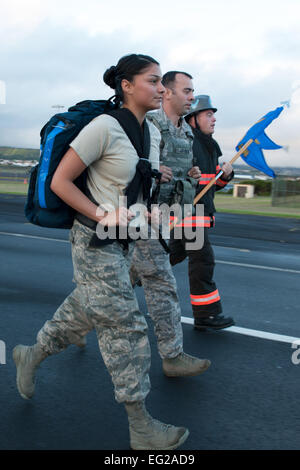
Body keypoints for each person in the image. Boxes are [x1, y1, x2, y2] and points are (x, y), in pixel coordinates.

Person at [12, 54, 191, 451]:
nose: (161, 88)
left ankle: (30, 354)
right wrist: (100, 213)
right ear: (126, 85)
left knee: (80, 313)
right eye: (153, 80)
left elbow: (135, 186)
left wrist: (155, 212)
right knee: (125, 326)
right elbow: (61, 181)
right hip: (93, 242)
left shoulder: (153, 134)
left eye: (163, 82)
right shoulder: (104, 127)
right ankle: (140, 426)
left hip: (126, 242)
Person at [129, 71, 211, 372]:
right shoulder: (150, 126)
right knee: (162, 282)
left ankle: (74, 322)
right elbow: (127, 166)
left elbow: (181, 171)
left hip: (169, 216)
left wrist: (190, 175)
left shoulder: (187, 133)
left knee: (122, 280)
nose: (192, 96)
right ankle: (172, 356)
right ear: (168, 93)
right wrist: (151, 169)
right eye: (187, 91)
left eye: (193, 91)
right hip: (143, 215)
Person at [180, 94, 235, 330]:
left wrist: (227, 176)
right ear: (193, 119)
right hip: (186, 216)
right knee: (203, 261)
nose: (213, 119)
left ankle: (129, 279)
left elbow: (211, 183)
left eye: (213, 115)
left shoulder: (209, 145)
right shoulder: (188, 144)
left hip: (199, 215)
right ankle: (207, 315)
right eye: (208, 114)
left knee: (165, 258)